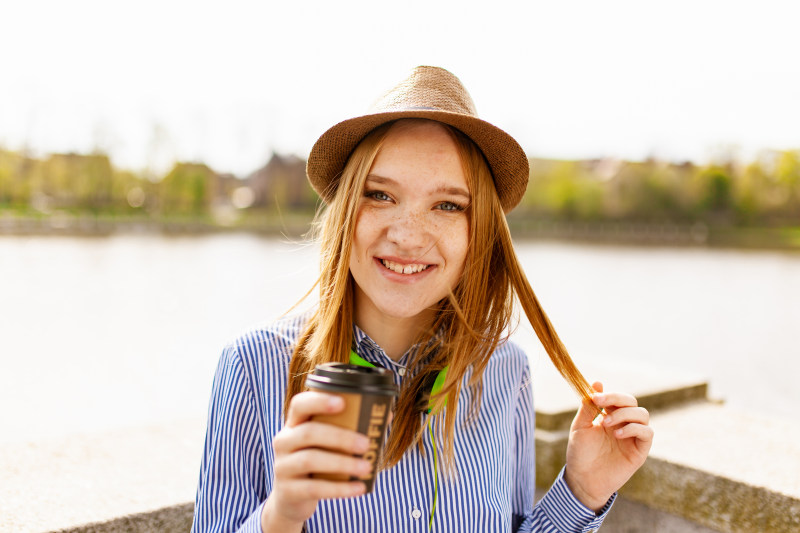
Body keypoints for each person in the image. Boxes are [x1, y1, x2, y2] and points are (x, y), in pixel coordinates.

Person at [191, 66, 653, 533]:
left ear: (480, 233)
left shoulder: (505, 371)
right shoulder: (253, 368)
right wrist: (281, 516)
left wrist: (583, 492)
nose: (408, 235)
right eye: (380, 195)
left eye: (448, 204)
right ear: (345, 208)